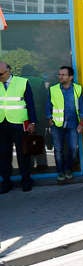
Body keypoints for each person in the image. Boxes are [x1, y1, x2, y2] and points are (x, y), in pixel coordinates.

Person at [0, 61, 38, 193]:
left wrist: (32, 122)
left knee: (23, 154)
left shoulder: (23, 82)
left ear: (9, 70)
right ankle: (6, 182)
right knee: (3, 155)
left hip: (19, 123)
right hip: (1, 124)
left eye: (1, 74)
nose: (0, 77)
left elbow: (30, 103)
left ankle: (26, 180)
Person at [46, 66, 83, 184]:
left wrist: (81, 123)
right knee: (58, 150)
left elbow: (82, 106)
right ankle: (60, 172)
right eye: (59, 74)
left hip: (73, 124)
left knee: (73, 149)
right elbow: (48, 105)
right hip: (57, 125)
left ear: (71, 77)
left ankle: (68, 169)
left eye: (63, 75)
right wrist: (49, 118)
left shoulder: (78, 89)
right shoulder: (53, 89)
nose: (60, 77)